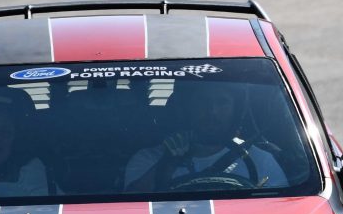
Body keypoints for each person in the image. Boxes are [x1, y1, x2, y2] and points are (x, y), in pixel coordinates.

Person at [123, 81, 287, 193]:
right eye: (203, 101)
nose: (212, 111)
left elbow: (282, 213)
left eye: (222, 102)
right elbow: (130, 212)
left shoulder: (261, 161)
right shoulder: (148, 159)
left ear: (235, 112)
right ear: (187, 109)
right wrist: (168, 162)